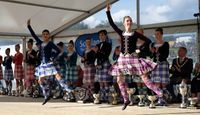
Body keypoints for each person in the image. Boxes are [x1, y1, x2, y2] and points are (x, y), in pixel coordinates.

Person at [106, 1, 163, 110]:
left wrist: (139, 49)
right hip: (122, 58)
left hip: (132, 58)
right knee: (119, 79)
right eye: (127, 20)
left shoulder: (135, 33)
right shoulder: (121, 32)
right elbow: (112, 23)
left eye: (130, 21)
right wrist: (108, 12)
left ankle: (158, 92)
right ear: (124, 23)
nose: (129, 22)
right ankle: (126, 99)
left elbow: (147, 40)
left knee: (144, 76)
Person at [27, 19, 71, 105]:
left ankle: (68, 89)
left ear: (49, 36)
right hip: (43, 64)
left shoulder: (50, 43)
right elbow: (33, 35)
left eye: (47, 34)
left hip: (49, 63)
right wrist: (29, 26)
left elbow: (59, 51)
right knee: (40, 81)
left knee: (58, 76)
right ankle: (47, 94)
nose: (45, 35)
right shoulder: (40, 42)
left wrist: (53, 57)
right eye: (44, 34)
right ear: (42, 36)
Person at [150, 27, 170, 106]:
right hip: (155, 65)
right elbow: (151, 56)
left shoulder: (165, 44)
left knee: (163, 83)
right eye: (155, 34)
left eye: (158, 34)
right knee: (157, 83)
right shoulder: (152, 44)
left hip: (163, 64)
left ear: (161, 34)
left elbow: (166, 55)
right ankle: (159, 100)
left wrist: (159, 51)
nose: (156, 35)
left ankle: (165, 99)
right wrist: (153, 53)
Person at [94, 29, 112, 103]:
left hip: (105, 63)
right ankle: (102, 97)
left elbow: (106, 54)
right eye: (99, 35)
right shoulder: (97, 45)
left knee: (105, 81)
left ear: (105, 36)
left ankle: (107, 97)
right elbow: (96, 55)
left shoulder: (108, 44)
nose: (101, 36)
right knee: (100, 82)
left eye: (102, 35)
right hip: (98, 64)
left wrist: (98, 51)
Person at [81, 38, 96, 102]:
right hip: (86, 66)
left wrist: (85, 59)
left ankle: (93, 96)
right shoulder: (84, 51)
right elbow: (82, 60)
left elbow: (93, 59)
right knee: (86, 83)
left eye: (89, 42)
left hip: (91, 66)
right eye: (87, 42)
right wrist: (82, 60)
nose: (88, 43)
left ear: (90, 42)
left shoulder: (92, 50)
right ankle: (88, 96)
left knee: (91, 82)